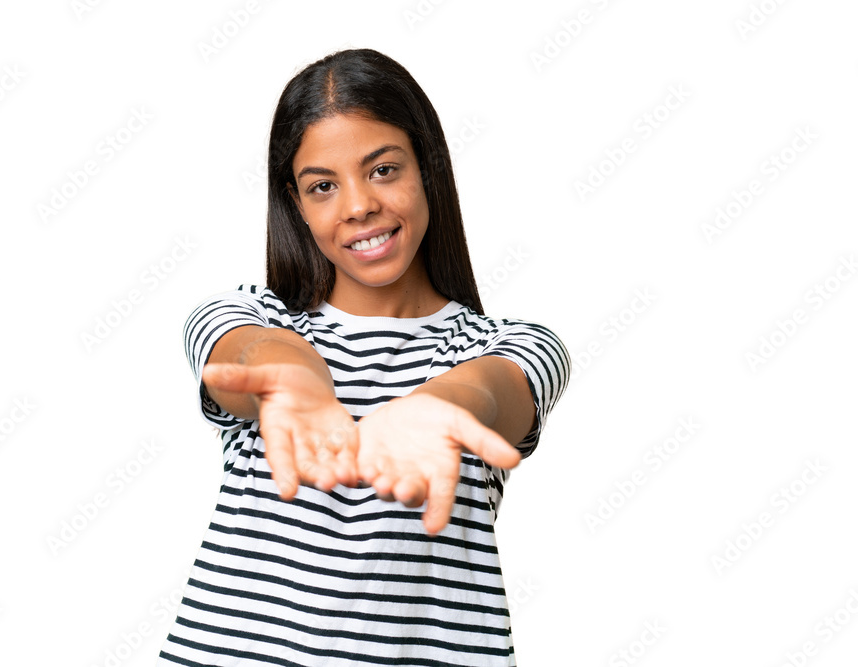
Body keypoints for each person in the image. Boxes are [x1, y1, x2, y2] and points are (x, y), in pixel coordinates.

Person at [157, 47, 570, 667]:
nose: (357, 206)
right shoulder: (249, 314)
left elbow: (494, 390)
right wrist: (292, 380)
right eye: (323, 186)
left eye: (382, 170)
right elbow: (245, 352)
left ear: (427, 168)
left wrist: (437, 407)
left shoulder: (509, 346)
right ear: (297, 204)